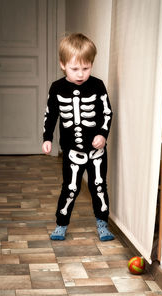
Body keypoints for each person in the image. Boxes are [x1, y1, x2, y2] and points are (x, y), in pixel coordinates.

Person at [42, 33, 114, 241]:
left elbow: (107, 112)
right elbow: (51, 114)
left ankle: (102, 223)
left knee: (98, 186)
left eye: (86, 68)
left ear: (92, 64)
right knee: (70, 188)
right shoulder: (57, 88)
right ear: (62, 64)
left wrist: (103, 134)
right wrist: (47, 138)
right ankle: (61, 223)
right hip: (72, 151)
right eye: (75, 69)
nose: (81, 74)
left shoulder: (97, 85)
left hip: (96, 150)